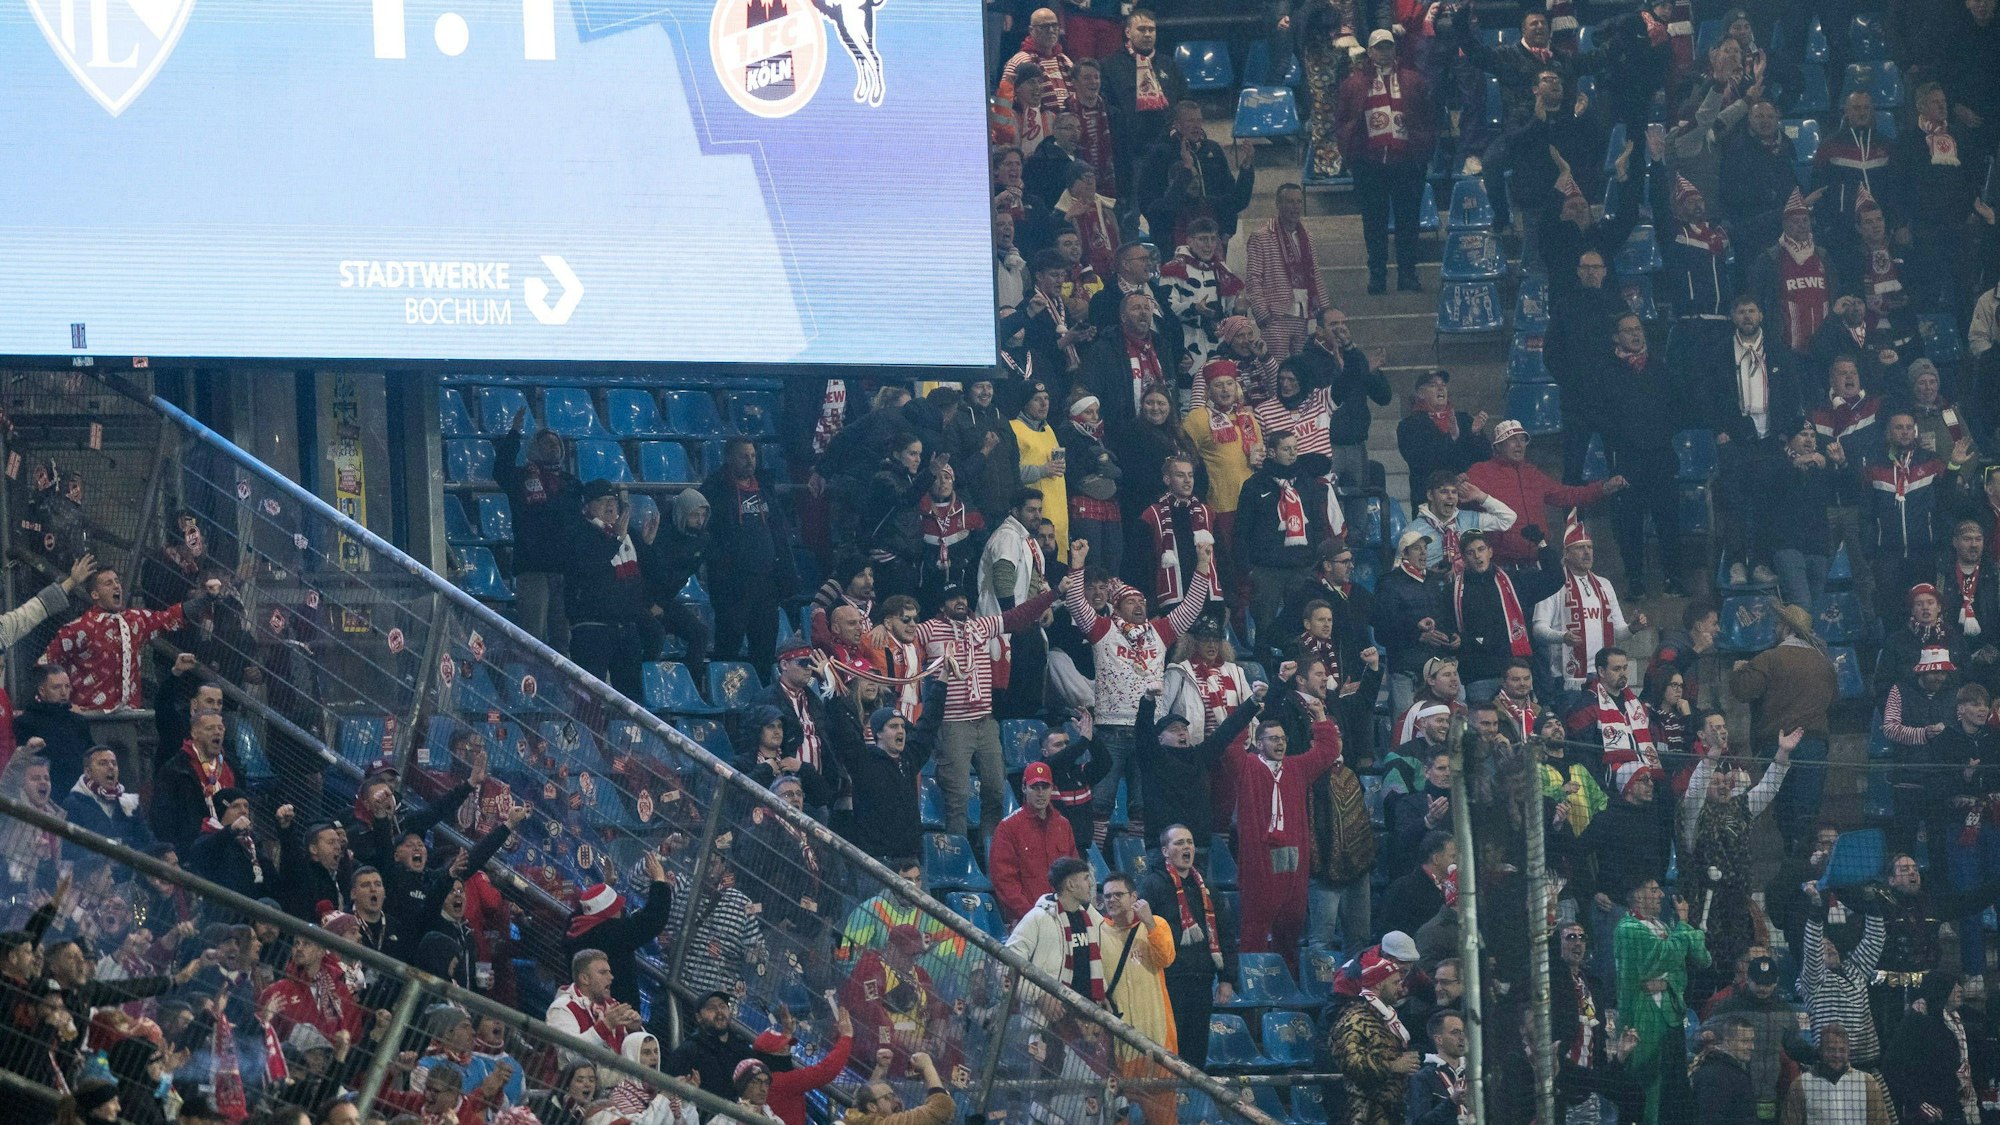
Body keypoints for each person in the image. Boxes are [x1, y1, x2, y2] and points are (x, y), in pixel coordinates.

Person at [1061, 537, 1213, 846]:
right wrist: (1077, 565)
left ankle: (1137, 863)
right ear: (1117, 607)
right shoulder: (1102, 630)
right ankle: (1098, 862)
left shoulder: (1159, 632)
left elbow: (1192, 606)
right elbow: (1077, 603)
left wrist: (1202, 566)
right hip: (1111, 732)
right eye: (1132, 601)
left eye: (1142, 601)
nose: (1140, 604)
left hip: (1148, 734)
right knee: (1100, 804)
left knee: (1143, 808)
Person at [914, 580, 1058, 842]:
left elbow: (1019, 615)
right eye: (952, 598)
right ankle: (957, 854)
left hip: (985, 721)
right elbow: (900, 636)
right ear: (940, 604)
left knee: (995, 790)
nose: (960, 601)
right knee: (956, 796)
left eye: (962, 596)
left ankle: (990, 848)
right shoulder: (928, 630)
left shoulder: (981, 626)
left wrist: (1054, 593)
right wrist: (881, 626)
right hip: (952, 723)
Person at [1225, 695, 1343, 971]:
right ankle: (1252, 983)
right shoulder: (1247, 766)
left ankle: (1286, 983)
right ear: (1258, 742)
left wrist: (1320, 717)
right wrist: (1249, 709)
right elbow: (1229, 744)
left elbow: (1327, 751)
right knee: (1256, 921)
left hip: (1293, 855)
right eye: (1272, 738)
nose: (1280, 743)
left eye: (1282, 738)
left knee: (1292, 919)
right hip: (1260, 855)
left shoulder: (1296, 768)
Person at [1334, 29, 1436, 294]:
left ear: (1395, 49)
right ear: (1370, 51)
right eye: (1379, 47)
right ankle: (1377, 275)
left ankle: (1408, 275)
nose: (1384, 51)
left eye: (1388, 46)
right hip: (1369, 163)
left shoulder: (1413, 80)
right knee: (1373, 223)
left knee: (1408, 221)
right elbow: (1343, 120)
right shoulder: (1354, 83)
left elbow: (1428, 116)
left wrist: (1423, 150)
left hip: (1406, 162)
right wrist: (1352, 153)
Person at [1137, 823, 1237, 1070]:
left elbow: (1225, 933)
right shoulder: (1152, 885)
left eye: (1190, 842)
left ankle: (1193, 1104)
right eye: (1179, 843)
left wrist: (1227, 978)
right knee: (1170, 1051)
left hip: (1202, 981)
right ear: (1164, 851)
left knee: (1196, 1053)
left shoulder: (1207, 888)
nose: (1186, 847)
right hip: (1168, 982)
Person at [1465, 420, 1623, 567]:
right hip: (1501, 564)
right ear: (1498, 446)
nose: (1519, 445)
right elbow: (1456, 498)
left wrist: (1603, 488)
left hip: (1536, 561)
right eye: (1512, 440)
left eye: (1522, 439)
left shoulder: (1532, 473)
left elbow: (1567, 495)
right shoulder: (1481, 472)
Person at [1617, 879, 1711, 1124]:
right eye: (1654, 890)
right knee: (1648, 1087)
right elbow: (1662, 957)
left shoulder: (1662, 925)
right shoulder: (1628, 928)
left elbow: (1695, 964)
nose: (1661, 895)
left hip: (1671, 1017)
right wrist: (1682, 930)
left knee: (1673, 1088)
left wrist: (1667, 982)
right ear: (1637, 896)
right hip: (1643, 1019)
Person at [1094, 871, 1178, 1125]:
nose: (1112, 900)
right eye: (1107, 896)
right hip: (1116, 1049)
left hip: (1157, 1043)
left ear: (1134, 897)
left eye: (1118, 894)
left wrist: (1150, 923)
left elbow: (1167, 958)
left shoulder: (1156, 924)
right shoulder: (1097, 931)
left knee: (1164, 1120)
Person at [1237, 430, 1329, 653]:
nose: (1293, 454)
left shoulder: (1307, 484)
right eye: (1286, 449)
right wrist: (1250, 570)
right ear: (1271, 452)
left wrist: (1313, 561)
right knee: (1266, 630)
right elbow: (1241, 531)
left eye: (1295, 448)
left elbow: (1318, 525)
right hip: (1267, 571)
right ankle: (1266, 679)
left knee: (1303, 630)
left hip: (1301, 568)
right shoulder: (1254, 485)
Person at [1534, 512, 1645, 691]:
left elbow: (1619, 631)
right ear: (1567, 553)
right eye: (1580, 548)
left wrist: (1632, 628)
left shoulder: (1604, 584)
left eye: (1589, 547)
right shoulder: (1553, 583)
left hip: (1604, 674)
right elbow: (1538, 629)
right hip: (1568, 677)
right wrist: (1562, 637)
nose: (1587, 553)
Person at [493, 415, 578, 648]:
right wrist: (514, 434)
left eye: (556, 443)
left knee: (563, 637)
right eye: (547, 443)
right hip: (532, 566)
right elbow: (500, 470)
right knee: (533, 636)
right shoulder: (521, 477)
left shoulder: (571, 483)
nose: (553, 446)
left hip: (562, 568)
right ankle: (531, 683)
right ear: (535, 448)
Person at [1134, 102, 1256, 255]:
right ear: (1177, 124)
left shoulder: (1213, 150)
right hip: (1173, 241)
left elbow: (1236, 199)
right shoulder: (1160, 153)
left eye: (1199, 120)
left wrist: (1247, 168)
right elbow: (1150, 205)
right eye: (1190, 121)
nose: (1197, 126)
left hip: (1213, 241)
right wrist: (1186, 170)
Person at [1328, 948, 1422, 1125]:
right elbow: (1349, 1061)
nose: (1401, 989)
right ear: (1378, 984)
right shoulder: (1355, 1017)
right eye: (1395, 983)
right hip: (1364, 1113)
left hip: (1390, 1110)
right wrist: (1392, 1066)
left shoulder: (1385, 1016)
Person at [989, 761, 1082, 925]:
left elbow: (1074, 874)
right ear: (1024, 788)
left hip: (1062, 919)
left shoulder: (1063, 825)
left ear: (1052, 788)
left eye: (1045, 787)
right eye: (1034, 787)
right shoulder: (1007, 828)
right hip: (1025, 921)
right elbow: (1004, 881)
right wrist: (1033, 916)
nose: (1040, 793)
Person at [1243, 184, 1328, 357]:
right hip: (1277, 315)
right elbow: (1253, 279)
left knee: (1303, 370)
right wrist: (1262, 314)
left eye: (1298, 202)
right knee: (1276, 369)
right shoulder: (1261, 236)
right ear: (1278, 203)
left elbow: (1315, 273)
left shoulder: (1308, 236)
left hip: (1305, 314)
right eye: (1290, 202)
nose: (1295, 207)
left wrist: (1324, 309)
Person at [1004, 855, 1105, 999]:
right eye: (1086, 878)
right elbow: (1007, 963)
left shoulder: (1091, 918)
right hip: (1048, 1016)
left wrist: (1103, 993)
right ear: (1070, 885)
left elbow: (1095, 966)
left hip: (1087, 1010)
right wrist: (1038, 998)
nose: (1091, 884)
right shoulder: (1038, 917)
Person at [1779, 1022, 1895, 1125]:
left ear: (1849, 1051)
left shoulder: (1867, 1083)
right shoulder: (1801, 1085)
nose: (1837, 1055)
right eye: (1831, 1050)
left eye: (1842, 1050)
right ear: (1820, 1051)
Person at [546, 948, 641, 1061]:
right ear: (584, 979)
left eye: (609, 972)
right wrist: (605, 1026)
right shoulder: (562, 1008)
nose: (611, 977)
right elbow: (570, 1055)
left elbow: (640, 1056)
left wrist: (634, 1030)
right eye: (603, 972)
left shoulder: (613, 1006)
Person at [59, 744, 150, 848]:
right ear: (88, 772)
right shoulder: (73, 804)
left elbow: (146, 840)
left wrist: (163, 851)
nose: (111, 767)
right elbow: (70, 849)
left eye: (114, 763)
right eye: (103, 763)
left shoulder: (129, 803)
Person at [846, 1051, 956, 1125]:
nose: (897, 1100)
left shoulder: (858, 1119)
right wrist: (927, 1066)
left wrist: (880, 1068)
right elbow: (940, 1109)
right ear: (872, 1107)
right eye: (889, 1097)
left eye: (894, 1095)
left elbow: (868, 1095)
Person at [1405, 1011, 1470, 1125]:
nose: (1462, 1037)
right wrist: (1452, 1101)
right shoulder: (1423, 1078)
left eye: (1463, 1032)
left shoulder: (1473, 1073)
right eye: (1455, 1032)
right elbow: (1420, 1122)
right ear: (1438, 1039)